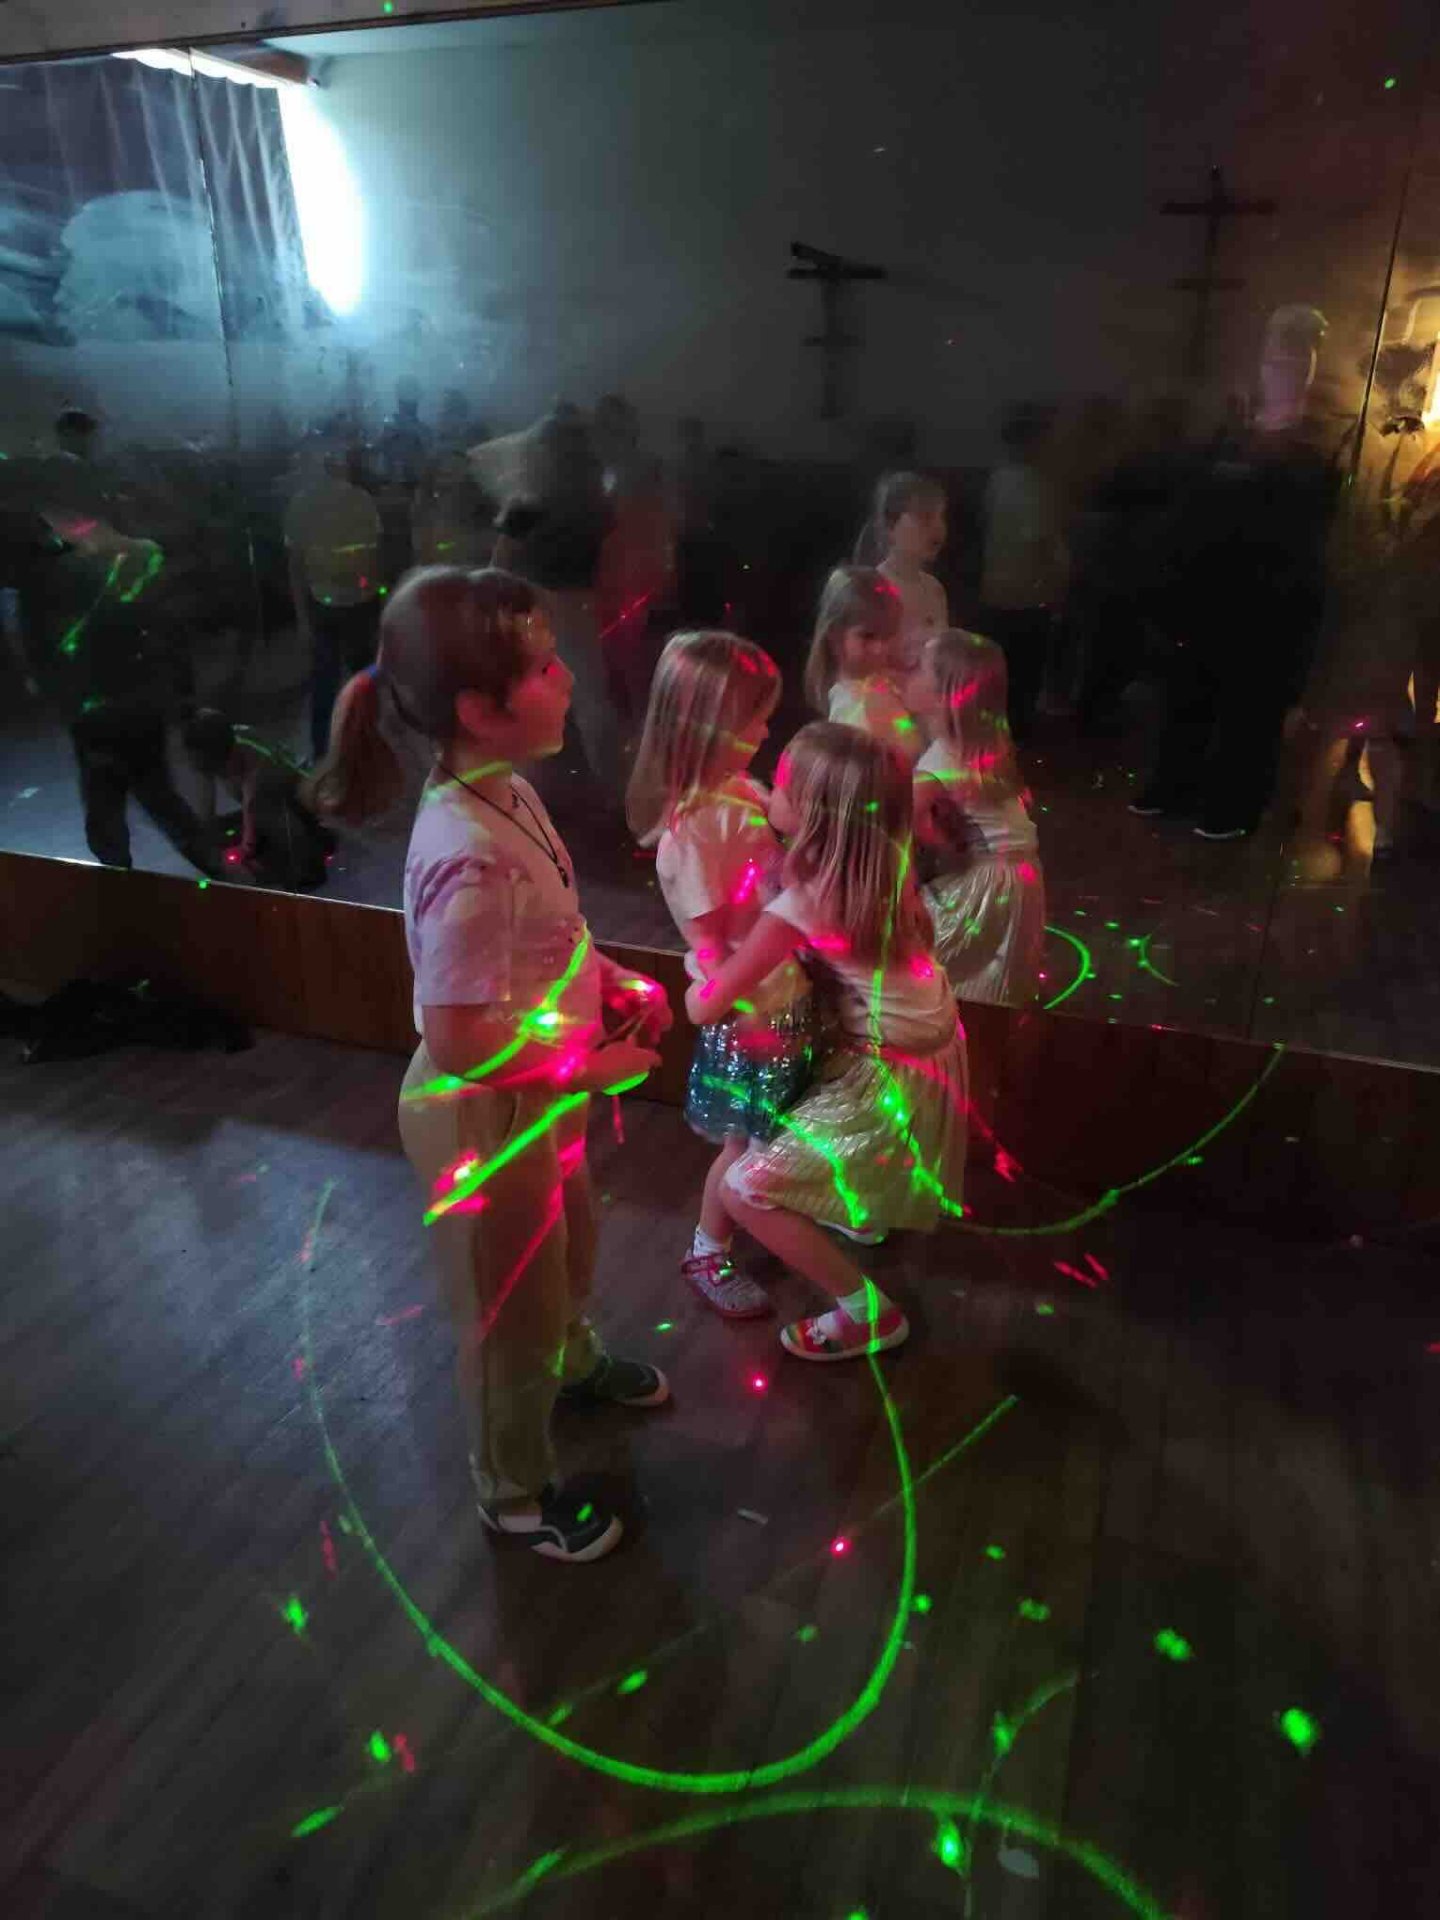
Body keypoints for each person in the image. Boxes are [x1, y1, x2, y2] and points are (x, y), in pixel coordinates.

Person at [305, 567, 673, 1563]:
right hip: (484, 1118)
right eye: (546, 668)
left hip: (540, 1090)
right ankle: (511, 1490)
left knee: (567, 1251)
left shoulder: (505, 792)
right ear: (480, 708)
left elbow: (547, 932)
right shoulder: (464, 852)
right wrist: (591, 1066)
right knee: (508, 1311)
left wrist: (611, 977)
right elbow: (461, 1038)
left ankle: (573, 1361)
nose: (567, 677)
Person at [685, 723, 967, 1363]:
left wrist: (695, 967)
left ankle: (868, 1313)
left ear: (814, 815)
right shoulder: (882, 864)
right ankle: (849, 1208)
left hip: (886, 1071)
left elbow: (708, 1003)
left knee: (745, 1189)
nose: (768, 792)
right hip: (931, 1051)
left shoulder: (804, 905)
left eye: (781, 785)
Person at [627, 630, 816, 1319]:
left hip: (782, 991)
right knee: (746, 1145)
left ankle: (760, 1215)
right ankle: (708, 1248)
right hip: (751, 1011)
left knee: (770, 1137)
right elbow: (708, 947)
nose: (766, 730)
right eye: (753, 719)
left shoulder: (738, 791)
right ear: (706, 725)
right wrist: (746, 1016)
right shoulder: (694, 831)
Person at [1130, 424, 1337, 839]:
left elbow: (1174, 551)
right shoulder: (1284, 509)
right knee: (1239, 718)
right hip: (1249, 623)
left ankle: (1184, 794)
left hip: (1216, 618)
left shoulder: (1217, 489)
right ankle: (1218, 805)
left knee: (1203, 711)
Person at [0, 507, 217, 877]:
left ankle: (128, 884)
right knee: (150, 797)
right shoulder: (85, 570)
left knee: (117, 807)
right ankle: (222, 876)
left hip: (101, 711)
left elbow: (45, 655)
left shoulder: (41, 589)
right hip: (129, 703)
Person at [478, 406, 622, 795]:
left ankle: (525, 790)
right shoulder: (596, 498)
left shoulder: (531, 497)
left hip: (534, 603)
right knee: (591, 697)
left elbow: (500, 559)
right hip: (578, 603)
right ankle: (614, 787)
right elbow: (607, 554)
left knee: (528, 691)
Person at [903, 630, 1046, 1006]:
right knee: (996, 979)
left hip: (986, 887)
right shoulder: (981, 750)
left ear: (943, 696)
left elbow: (897, 836)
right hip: (1020, 878)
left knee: (932, 966)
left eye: (918, 668)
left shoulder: (936, 769)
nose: (906, 670)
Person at [283, 444, 383, 760]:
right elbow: (296, 565)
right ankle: (328, 756)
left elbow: (373, 554)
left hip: (356, 604)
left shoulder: (359, 500)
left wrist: (376, 596)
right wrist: (302, 617)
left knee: (360, 684)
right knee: (332, 684)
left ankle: (360, 752)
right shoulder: (303, 505)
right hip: (329, 605)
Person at [978, 409, 1067, 741]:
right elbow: (1041, 543)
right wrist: (1059, 581)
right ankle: (1016, 734)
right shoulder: (1034, 485)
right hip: (1027, 591)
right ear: (1034, 442)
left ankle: (993, 731)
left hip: (995, 588)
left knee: (999, 668)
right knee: (1025, 669)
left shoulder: (997, 479)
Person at [180, 708, 334, 891]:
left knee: (266, 815)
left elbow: (251, 803)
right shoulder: (219, 742)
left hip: (302, 796)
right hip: (272, 796)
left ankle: (307, 870)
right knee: (236, 824)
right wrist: (206, 837)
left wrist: (246, 848)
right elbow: (207, 803)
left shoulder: (258, 763)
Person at [803, 563, 920, 763]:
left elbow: (907, 735)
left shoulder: (881, 685)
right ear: (834, 634)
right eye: (867, 636)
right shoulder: (851, 709)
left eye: (888, 635)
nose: (880, 648)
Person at [857, 472, 950, 660]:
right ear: (890, 526)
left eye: (940, 517)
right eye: (925, 517)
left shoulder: (935, 589)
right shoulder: (873, 589)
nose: (938, 527)